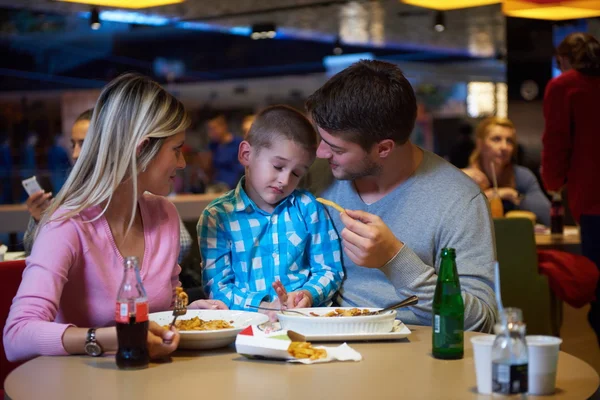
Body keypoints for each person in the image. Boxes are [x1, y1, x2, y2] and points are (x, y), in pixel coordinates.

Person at [3, 73, 225, 363]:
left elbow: (161, 311)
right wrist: (116, 337)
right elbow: (16, 336)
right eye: (176, 150)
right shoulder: (67, 224)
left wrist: (192, 312)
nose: (182, 163)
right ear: (143, 149)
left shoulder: (164, 214)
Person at [304, 60, 496, 332]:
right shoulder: (315, 177)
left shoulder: (459, 200)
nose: (322, 153)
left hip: (414, 354)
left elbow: (481, 321)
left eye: (336, 148)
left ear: (383, 148)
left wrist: (394, 259)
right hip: (320, 344)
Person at [199, 105, 344, 311]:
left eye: (296, 173)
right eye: (278, 166)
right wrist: (265, 307)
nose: (285, 180)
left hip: (303, 321)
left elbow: (329, 269)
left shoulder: (308, 208)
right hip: (245, 324)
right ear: (246, 154)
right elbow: (218, 287)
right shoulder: (217, 216)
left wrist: (307, 295)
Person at [22, 109, 193, 264]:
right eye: (73, 144)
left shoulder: (145, 190)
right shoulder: (70, 202)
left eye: (84, 144)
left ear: (107, 145)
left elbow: (183, 243)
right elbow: (35, 257)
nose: (75, 154)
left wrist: (148, 258)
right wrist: (41, 221)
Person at [541, 32, 600, 343]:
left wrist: (553, 182)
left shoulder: (564, 86)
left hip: (593, 204)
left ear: (563, 60)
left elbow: (556, 141)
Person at [462, 117, 550, 226]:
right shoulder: (465, 177)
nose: (504, 147)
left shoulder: (521, 176)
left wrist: (514, 194)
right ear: (480, 144)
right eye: (496, 139)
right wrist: (496, 194)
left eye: (509, 141)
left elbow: (547, 215)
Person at [206, 113, 245, 190]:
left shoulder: (239, 143)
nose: (211, 133)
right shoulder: (212, 146)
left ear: (223, 127)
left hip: (234, 187)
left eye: (214, 128)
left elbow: (243, 169)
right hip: (216, 186)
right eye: (209, 129)